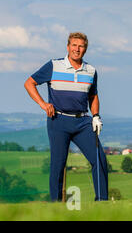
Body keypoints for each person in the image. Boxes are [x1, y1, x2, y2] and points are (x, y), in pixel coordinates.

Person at [24, 32, 108, 201]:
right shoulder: (54, 65)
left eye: (81, 46)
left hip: (83, 121)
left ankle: (102, 201)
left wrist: (96, 116)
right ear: (68, 47)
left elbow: (93, 95)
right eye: (74, 45)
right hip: (58, 121)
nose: (77, 49)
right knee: (58, 165)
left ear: (85, 49)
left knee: (99, 158)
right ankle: (56, 205)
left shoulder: (91, 71)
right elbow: (29, 83)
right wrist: (43, 104)